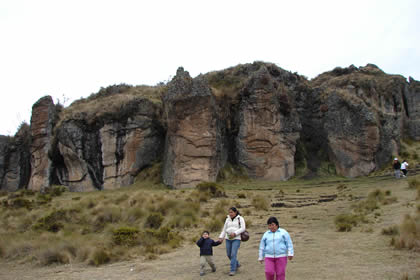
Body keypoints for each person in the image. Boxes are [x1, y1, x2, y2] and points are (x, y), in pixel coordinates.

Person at [218, 207, 246, 276]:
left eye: (232, 212)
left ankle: (232, 270)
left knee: (233, 254)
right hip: (228, 238)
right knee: (228, 254)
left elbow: (243, 228)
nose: (230, 214)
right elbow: (224, 229)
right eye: (229, 212)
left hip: (236, 238)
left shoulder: (240, 218)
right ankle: (236, 263)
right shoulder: (227, 219)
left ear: (235, 212)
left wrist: (235, 233)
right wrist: (221, 237)